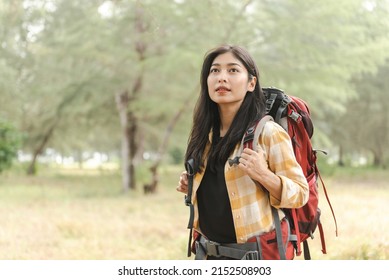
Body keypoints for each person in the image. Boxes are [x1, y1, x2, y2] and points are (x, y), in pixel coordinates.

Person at [176, 44, 309, 260]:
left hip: (253, 257)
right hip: (207, 253)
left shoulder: (268, 133)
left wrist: (264, 175)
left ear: (251, 83)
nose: (221, 78)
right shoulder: (204, 135)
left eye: (233, 70)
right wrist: (192, 184)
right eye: (214, 70)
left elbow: (301, 193)